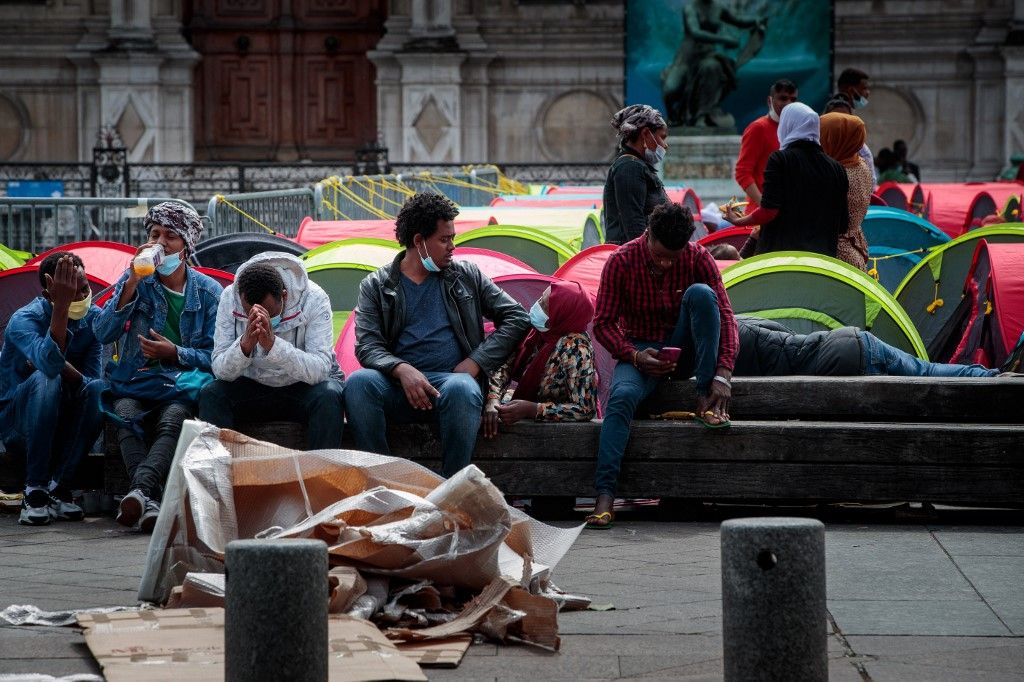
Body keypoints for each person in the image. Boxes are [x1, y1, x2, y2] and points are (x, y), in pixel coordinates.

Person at [344, 192, 531, 477]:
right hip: (398, 389)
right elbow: (367, 346)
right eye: (444, 239)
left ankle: (453, 489)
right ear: (419, 242)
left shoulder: (466, 276)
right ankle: (380, 485)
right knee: (358, 383)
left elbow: (517, 317)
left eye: (453, 238)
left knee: (462, 387)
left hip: (451, 386)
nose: (452, 247)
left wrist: (476, 362)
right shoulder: (376, 285)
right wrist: (401, 369)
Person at [588, 202, 738, 528]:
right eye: (659, 256)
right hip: (640, 353)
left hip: (683, 350)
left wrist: (722, 376)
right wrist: (634, 355)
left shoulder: (698, 257)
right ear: (648, 235)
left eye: (674, 257)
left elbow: (726, 315)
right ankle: (604, 494)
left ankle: (703, 399)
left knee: (702, 295)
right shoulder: (621, 261)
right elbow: (603, 324)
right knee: (621, 397)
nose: (667, 264)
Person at [93, 202, 222, 533]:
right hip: (137, 380)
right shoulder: (138, 280)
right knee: (125, 414)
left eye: (170, 237)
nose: (160, 244)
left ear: (186, 245)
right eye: (154, 235)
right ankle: (147, 498)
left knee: (173, 419)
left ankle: (140, 491)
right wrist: (131, 283)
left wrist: (174, 352)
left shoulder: (208, 292)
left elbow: (217, 356)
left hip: (180, 382)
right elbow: (103, 332)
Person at [199, 253, 345, 448]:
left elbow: (320, 369)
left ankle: (321, 474)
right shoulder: (230, 297)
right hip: (251, 385)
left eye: (269, 313)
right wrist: (244, 346)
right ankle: (220, 473)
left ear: (284, 296)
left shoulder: (314, 299)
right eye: (249, 312)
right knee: (211, 394)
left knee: (329, 395)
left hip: (300, 387)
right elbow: (219, 369)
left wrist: (274, 346)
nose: (259, 318)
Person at [0, 253, 104, 526]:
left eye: (83, 288)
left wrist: (65, 370)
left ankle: (59, 487)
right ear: (49, 292)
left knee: (98, 391)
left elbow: (91, 382)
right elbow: (48, 364)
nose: (80, 295)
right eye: (70, 290)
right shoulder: (24, 320)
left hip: (63, 420)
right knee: (47, 378)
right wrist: (61, 306)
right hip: (17, 426)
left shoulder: (93, 319)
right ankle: (34, 491)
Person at [723, 103, 849, 259]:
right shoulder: (837, 169)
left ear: (787, 125)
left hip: (781, 259)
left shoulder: (780, 159)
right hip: (821, 263)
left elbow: (769, 211)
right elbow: (843, 225)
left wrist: (740, 221)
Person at [483, 281, 598, 435]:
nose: (536, 306)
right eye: (539, 299)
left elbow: (584, 409)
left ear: (560, 314)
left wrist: (533, 409)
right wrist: (493, 398)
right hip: (524, 415)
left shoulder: (576, 348)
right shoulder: (537, 332)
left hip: (562, 434)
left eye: (544, 305)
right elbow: (504, 366)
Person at [735, 316, 998, 378]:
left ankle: (987, 378)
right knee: (925, 372)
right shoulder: (737, 325)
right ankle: (988, 377)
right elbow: (781, 330)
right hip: (851, 342)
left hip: (845, 361)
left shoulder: (724, 364)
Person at [602, 105, 669, 245]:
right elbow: (634, 226)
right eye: (662, 137)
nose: (665, 145)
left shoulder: (637, 165)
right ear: (645, 134)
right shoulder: (629, 167)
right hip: (633, 261)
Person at [734, 79, 798, 212]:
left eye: (793, 99)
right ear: (770, 101)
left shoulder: (797, 129)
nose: (788, 103)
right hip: (761, 216)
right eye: (783, 98)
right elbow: (742, 172)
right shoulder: (758, 128)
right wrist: (763, 204)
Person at [820, 112, 872, 270]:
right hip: (855, 249)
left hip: (837, 256)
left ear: (835, 138)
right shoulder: (861, 165)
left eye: (822, 134)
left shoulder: (837, 174)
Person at [823, 94, 876, 186]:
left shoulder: (862, 152)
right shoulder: (815, 145)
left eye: (845, 119)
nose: (840, 123)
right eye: (835, 119)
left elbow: (871, 186)